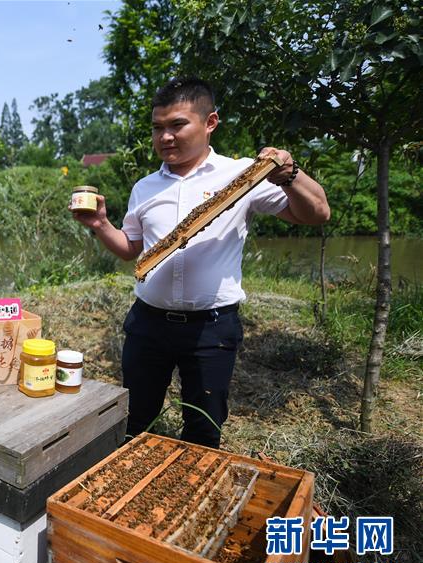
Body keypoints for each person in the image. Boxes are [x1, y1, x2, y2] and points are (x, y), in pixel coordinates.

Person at [72, 77, 329, 448]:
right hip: (148, 324)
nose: (165, 137)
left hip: (211, 329)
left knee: (204, 427)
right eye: (158, 128)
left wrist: (288, 174)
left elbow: (316, 213)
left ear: (210, 123)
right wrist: (100, 225)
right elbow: (131, 250)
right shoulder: (145, 187)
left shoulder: (243, 175)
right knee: (135, 419)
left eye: (177, 125)